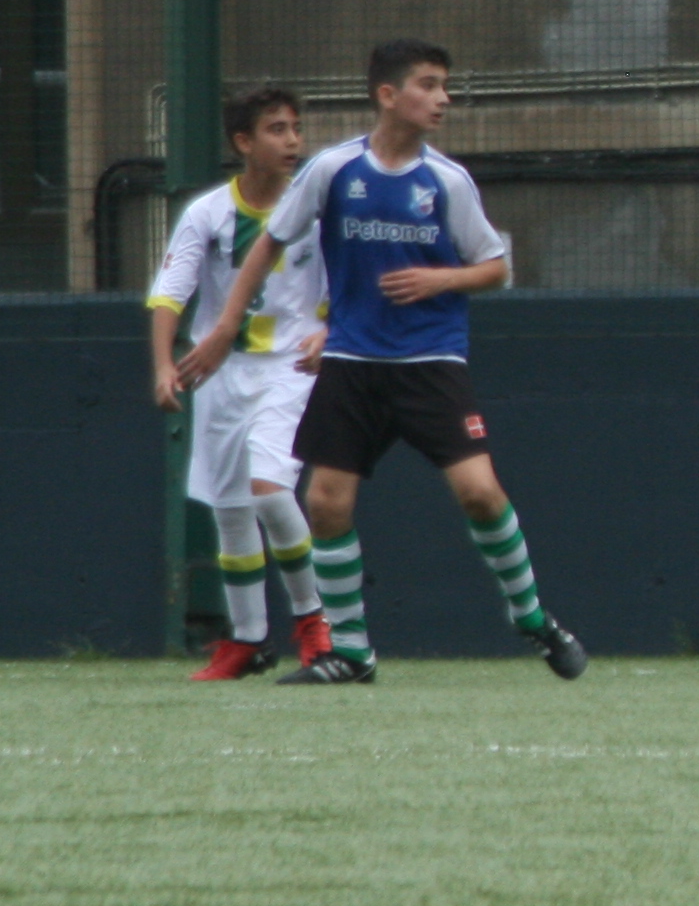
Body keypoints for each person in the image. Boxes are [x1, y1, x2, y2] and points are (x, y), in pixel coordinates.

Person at [176, 40, 583, 687]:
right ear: (387, 95)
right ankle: (351, 652)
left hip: (430, 361)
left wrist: (442, 279)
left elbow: (496, 267)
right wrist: (226, 326)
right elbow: (270, 242)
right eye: (430, 84)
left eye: (445, 86)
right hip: (352, 362)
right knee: (325, 502)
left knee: (480, 493)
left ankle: (531, 616)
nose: (443, 98)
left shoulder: (446, 180)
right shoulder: (334, 170)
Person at [148, 88, 331, 680]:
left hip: (291, 370)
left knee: (271, 493)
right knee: (230, 509)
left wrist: (328, 332)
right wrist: (163, 365)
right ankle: (248, 639)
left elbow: (352, 288)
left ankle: (315, 623)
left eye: (296, 128)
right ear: (244, 142)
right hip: (220, 374)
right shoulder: (207, 214)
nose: (293, 141)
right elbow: (170, 293)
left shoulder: (317, 214)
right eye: (277, 130)